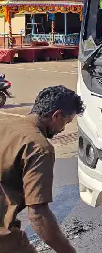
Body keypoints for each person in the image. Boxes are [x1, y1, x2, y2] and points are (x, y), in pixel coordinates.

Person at [0, 86, 84, 253]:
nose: (63, 129)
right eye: (66, 122)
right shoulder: (39, 147)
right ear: (56, 115)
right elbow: (38, 215)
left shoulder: (4, 125)